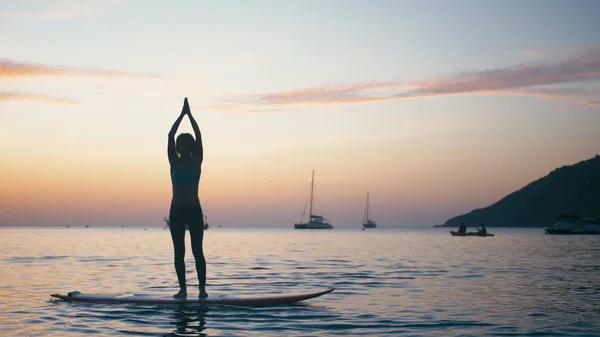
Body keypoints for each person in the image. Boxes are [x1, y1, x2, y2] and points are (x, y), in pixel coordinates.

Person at [167, 97, 207, 298]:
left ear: (189, 147)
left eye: (184, 145)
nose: (181, 148)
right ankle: (182, 289)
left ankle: (202, 290)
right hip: (176, 211)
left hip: (193, 210)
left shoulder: (197, 160)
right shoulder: (173, 161)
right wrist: (180, 114)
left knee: (197, 250)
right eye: (179, 145)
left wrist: (189, 115)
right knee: (179, 252)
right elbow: (170, 134)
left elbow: (198, 134)